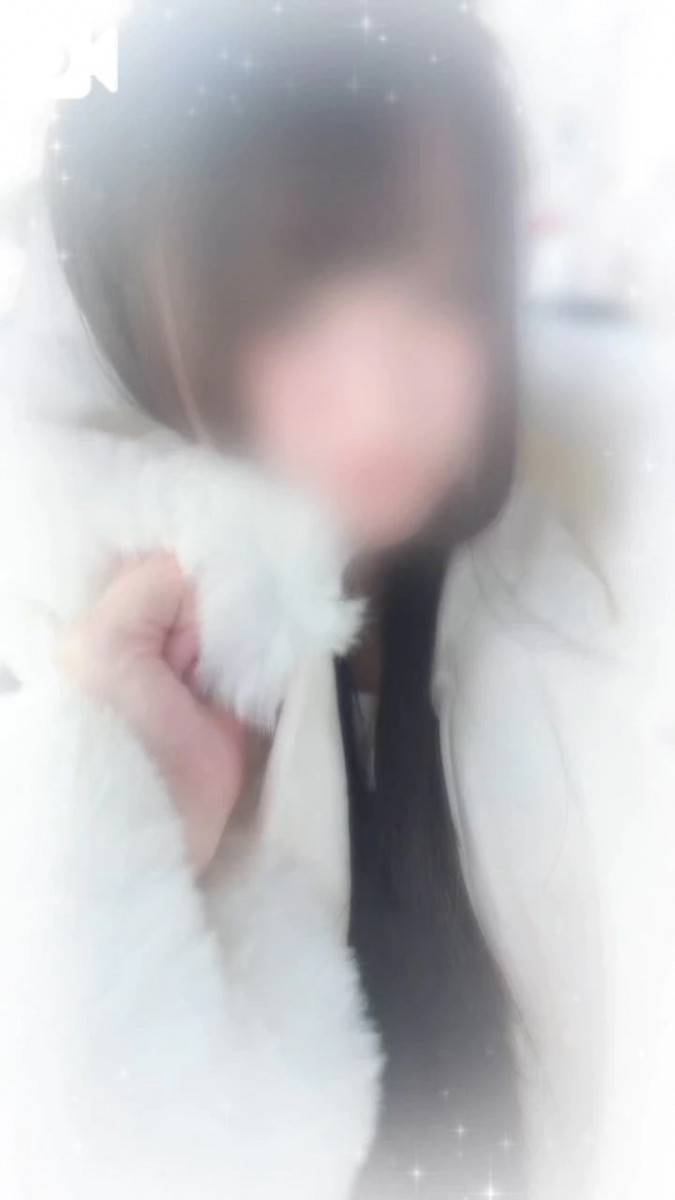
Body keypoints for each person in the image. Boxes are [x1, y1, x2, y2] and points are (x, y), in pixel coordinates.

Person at [0, 3, 673, 1198]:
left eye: (437, 283)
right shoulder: (62, 674)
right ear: (136, 310)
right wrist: (118, 825)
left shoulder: (614, 599)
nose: (379, 391)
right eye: (288, 305)